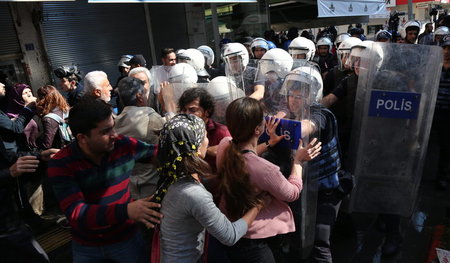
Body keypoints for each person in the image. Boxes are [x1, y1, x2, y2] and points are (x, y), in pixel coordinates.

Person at [47, 97, 163, 262]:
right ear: (82, 138)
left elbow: (157, 154)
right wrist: (127, 210)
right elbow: (76, 212)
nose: (114, 135)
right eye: (105, 131)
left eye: (113, 127)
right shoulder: (61, 163)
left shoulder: (123, 145)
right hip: (87, 247)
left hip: (127, 241)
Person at [216, 97, 321, 262]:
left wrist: (269, 143)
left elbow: (242, 155)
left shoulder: (224, 145)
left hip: (228, 228)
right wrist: (298, 162)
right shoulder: (265, 169)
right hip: (255, 240)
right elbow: (292, 193)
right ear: (258, 129)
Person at [154, 114, 265, 263]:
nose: (208, 141)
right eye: (205, 136)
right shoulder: (194, 194)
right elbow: (229, 235)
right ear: (197, 147)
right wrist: (259, 204)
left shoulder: (170, 175)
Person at [0, 81, 58, 262]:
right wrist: (8, 173)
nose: (2, 84)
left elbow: (9, 156)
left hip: (10, 214)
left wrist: (40, 155)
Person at [115, 77, 175, 199]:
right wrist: (167, 102)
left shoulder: (116, 121)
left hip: (130, 188)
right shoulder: (149, 117)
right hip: (154, 186)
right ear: (139, 96)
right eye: (145, 93)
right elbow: (173, 129)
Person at [178, 87, 229, 172]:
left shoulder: (222, 133)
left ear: (207, 111)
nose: (187, 114)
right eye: (184, 110)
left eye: (192, 110)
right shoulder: (180, 132)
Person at [432, 35, 450, 189]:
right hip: (431, 112)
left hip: (447, 114)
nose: (446, 51)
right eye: (444, 48)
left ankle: (442, 176)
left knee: (446, 147)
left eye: (449, 48)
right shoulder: (433, 66)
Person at [5, 83, 39, 151]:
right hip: (24, 153)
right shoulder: (10, 116)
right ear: (17, 97)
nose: (29, 95)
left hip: (36, 149)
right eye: (25, 93)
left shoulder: (34, 109)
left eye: (30, 91)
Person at [36, 85, 71, 149]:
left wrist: (37, 140)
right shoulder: (67, 109)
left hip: (60, 151)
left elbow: (47, 145)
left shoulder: (48, 119)